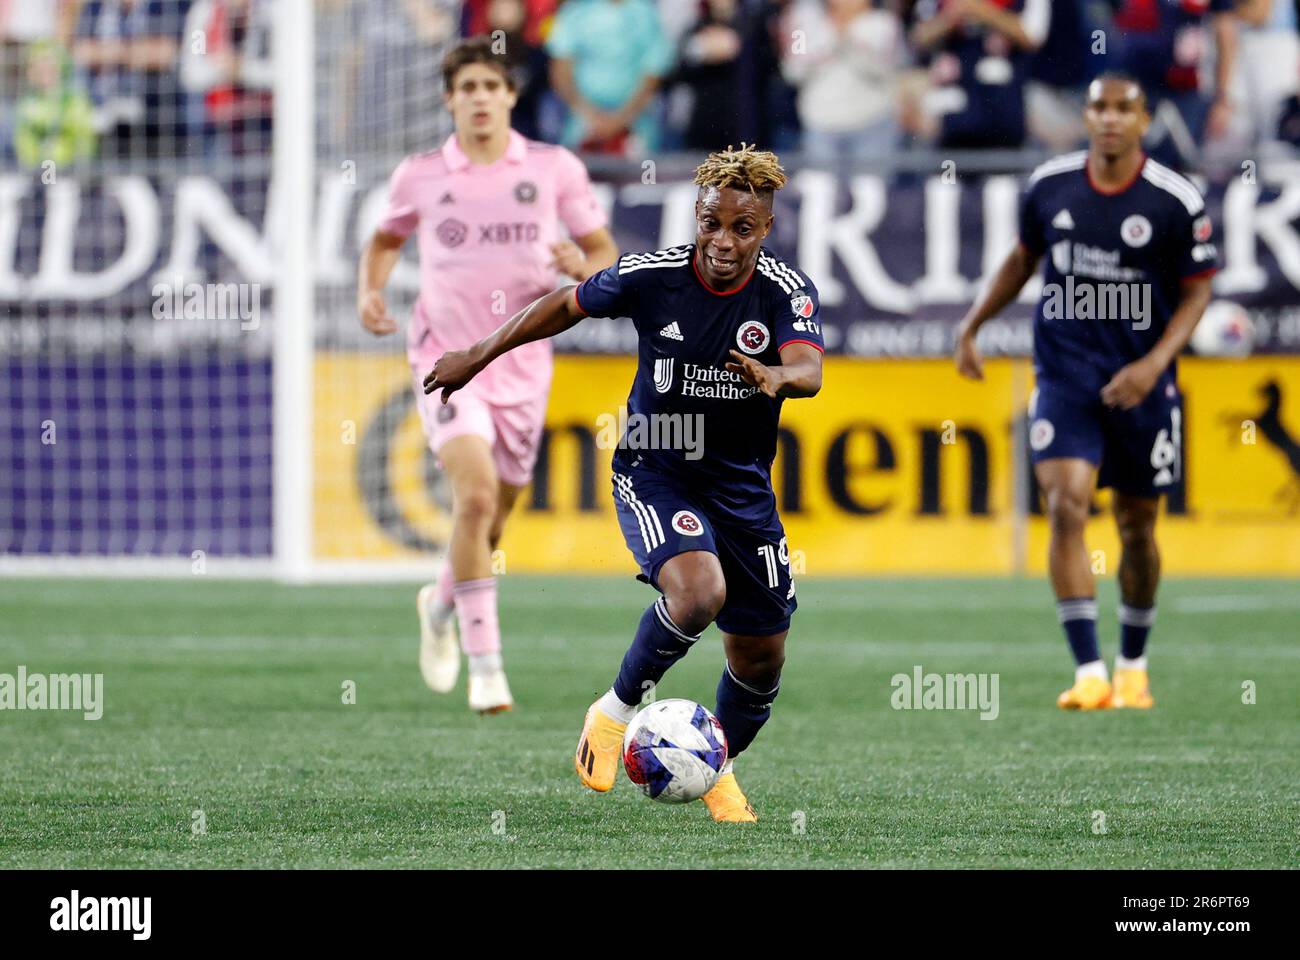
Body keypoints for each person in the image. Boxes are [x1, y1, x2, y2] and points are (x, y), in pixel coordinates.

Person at [424, 144, 824, 822]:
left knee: (760, 660)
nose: (723, 241)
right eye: (711, 223)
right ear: (696, 216)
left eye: (742, 228)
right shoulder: (653, 276)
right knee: (699, 592)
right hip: (654, 465)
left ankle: (714, 768)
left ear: (766, 228)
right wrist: (477, 355)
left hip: (741, 488)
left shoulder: (786, 290)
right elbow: (563, 304)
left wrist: (779, 378)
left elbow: (807, 370)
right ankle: (610, 715)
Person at [358, 37, 618, 714]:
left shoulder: (554, 167)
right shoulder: (421, 174)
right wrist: (371, 292)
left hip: (523, 359)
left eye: (490, 87)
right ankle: (488, 669)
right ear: (449, 98)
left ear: (509, 97)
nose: (478, 98)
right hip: (446, 358)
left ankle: (440, 604)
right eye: (466, 87)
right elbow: (386, 239)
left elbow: (603, 257)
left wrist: (580, 264)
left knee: (492, 525)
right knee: (471, 502)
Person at [954, 73, 1218, 711]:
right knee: (1067, 504)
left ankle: (1133, 664)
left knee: (1136, 525)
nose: (1108, 119)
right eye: (1097, 106)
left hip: (1141, 386)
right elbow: (1023, 260)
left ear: (1144, 118)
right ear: (1088, 115)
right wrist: (973, 325)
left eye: (1123, 109)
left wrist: (1155, 364)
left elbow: (1198, 289)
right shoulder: (1050, 186)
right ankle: (1089, 671)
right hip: (1066, 377)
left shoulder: (1173, 200)